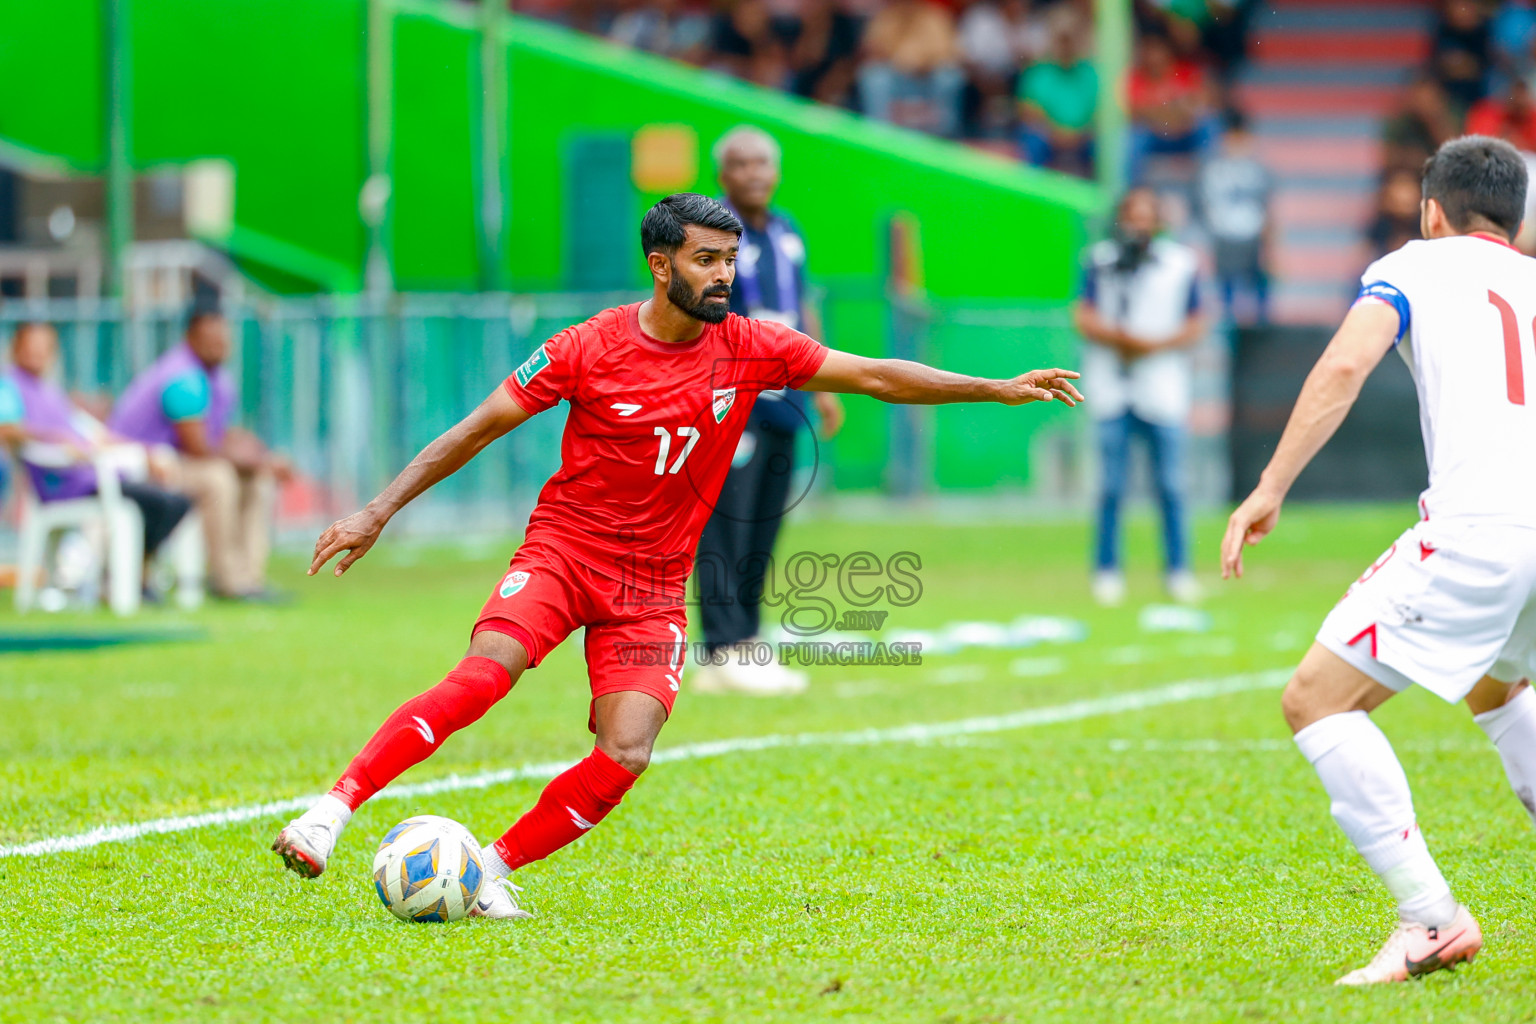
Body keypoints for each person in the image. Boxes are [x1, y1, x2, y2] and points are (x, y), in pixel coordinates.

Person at [271, 193, 1085, 917]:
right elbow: (477, 428)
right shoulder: (584, 348)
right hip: (564, 553)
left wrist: (998, 386)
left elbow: (873, 374)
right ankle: (331, 811)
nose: (725, 273)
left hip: (652, 586)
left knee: (627, 748)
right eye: (707, 259)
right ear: (661, 267)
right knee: (487, 672)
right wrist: (376, 511)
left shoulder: (752, 345)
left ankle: (487, 869)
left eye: (730, 259)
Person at [1222, 135, 1536, 985]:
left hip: (1482, 529)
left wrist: (1269, 485)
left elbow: (1345, 363)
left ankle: (1429, 918)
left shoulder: (1416, 265)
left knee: (1315, 700)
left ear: (1432, 210)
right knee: (1496, 686)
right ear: (1517, 216)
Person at [692, 127, 844, 697]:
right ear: (722, 175)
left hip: (787, 394)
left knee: (766, 518)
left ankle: (747, 640)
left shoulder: (787, 232)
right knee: (724, 519)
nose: (754, 172)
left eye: (763, 162)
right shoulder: (706, 234)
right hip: (732, 396)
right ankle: (720, 647)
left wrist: (825, 386)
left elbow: (804, 305)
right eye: (741, 164)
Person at [1074, 187, 1205, 607]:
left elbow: (1196, 323)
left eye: (1147, 217)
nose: (1139, 226)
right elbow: (1084, 315)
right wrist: (1120, 339)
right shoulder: (1100, 261)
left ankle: (1178, 571)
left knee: (1170, 485)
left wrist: (1154, 345)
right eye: (1133, 217)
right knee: (1111, 485)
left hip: (1162, 384)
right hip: (1113, 383)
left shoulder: (1180, 264)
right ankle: (1107, 571)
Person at [109, 310, 289, 601]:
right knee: (219, 478)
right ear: (191, 338)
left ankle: (249, 579)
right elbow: (197, 447)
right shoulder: (182, 376)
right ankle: (226, 579)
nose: (219, 345)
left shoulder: (218, 378)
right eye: (211, 339)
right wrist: (256, 462)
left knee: (258, 481)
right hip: (142, 465)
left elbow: (223, 436)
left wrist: (262, 459)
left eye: (223, 338)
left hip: (177, 462)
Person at [0, 323, 192, 588]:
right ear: (16, 348)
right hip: (65, 483)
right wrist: (56, 439)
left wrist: (146, 452)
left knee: (176, 502)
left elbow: (91, 433)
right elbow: (7, 428)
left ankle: (130, 574)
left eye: (44, 348)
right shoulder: (8, 386)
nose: (38, 354)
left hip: (94, 474)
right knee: (161, 504)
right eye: (32, 347)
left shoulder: (51, 392)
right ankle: (122, 578)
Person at [1197, 108, 1272, 325]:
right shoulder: (1212, 170)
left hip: (1253, 235)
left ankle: (1261, 329)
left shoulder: (1258, 170)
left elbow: (1267, 206)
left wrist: (1271, 244)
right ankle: (1229, 329)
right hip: (1224, 235)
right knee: (1227, 289)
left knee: (1258, 285)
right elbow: (1202, 205)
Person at [858, 0, 967, 138]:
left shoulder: (935, 16)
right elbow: (872, 50)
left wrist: (924, 63)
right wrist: (900, 62)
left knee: (949, 76)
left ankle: (944, 133)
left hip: (928, 77)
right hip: (895, 77)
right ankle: (879, 132)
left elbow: (949, 52)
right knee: (874, 76)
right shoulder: (885, 17)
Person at [1017, 9, 1097, 175]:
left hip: (1084, 137)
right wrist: (1055, 133)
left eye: (1071, 39)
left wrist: (1078, 134)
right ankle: (1033, 191)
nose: (1067, 45)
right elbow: (1028, 111)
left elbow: (1100, 112)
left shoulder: (1091, 73)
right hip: (1048, 135)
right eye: (1063, 40)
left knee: (1108, 145)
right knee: (1032, 140)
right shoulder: (1038, 72)